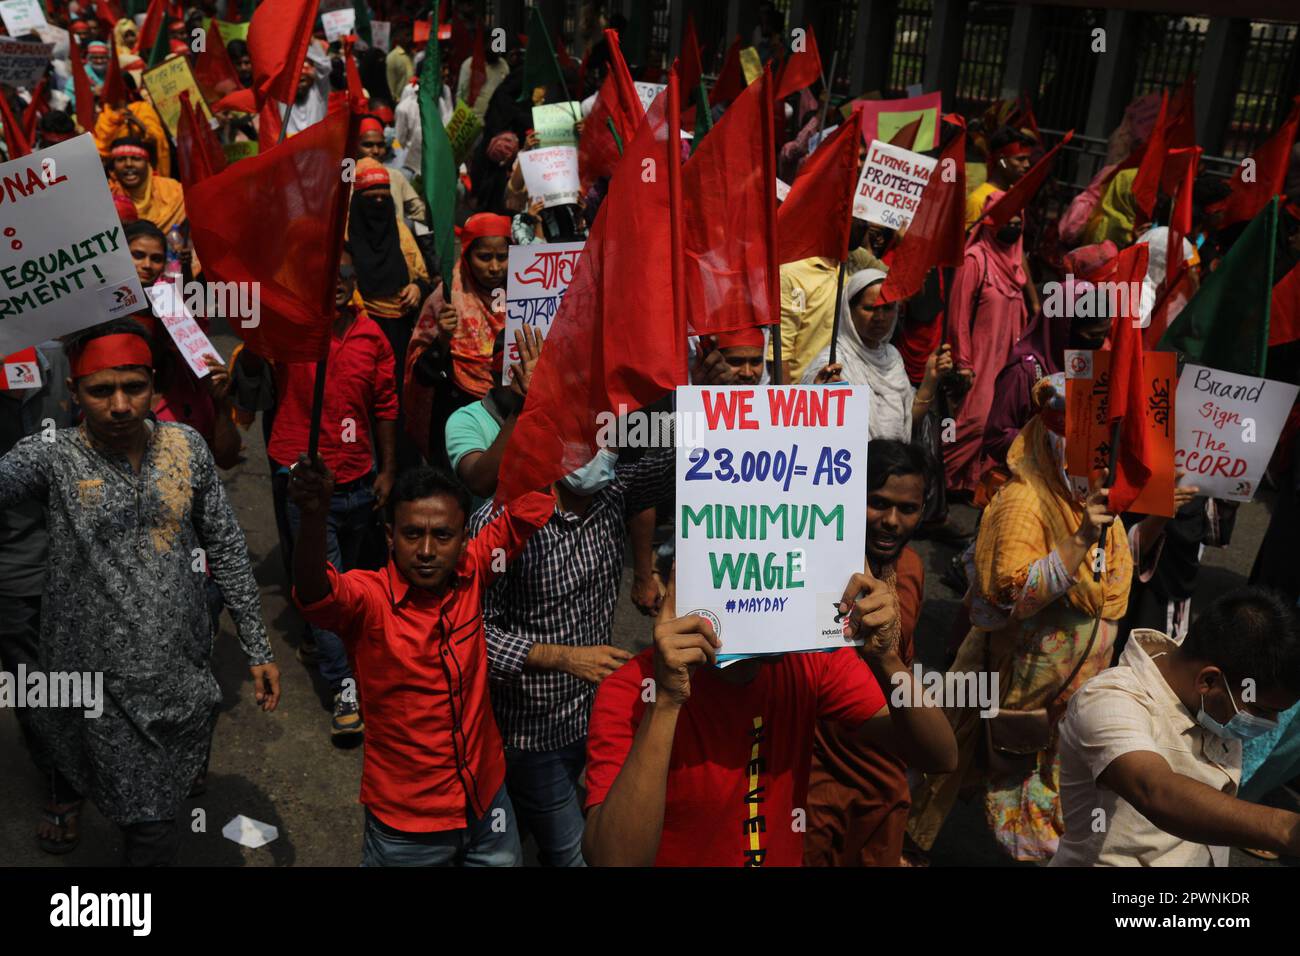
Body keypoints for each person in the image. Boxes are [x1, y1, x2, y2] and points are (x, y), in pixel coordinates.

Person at [0, 320, 279, 864]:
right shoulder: (53, 456)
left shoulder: (185, 447)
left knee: (158, 799)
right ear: (75, 394)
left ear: (156, 387)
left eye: (134, 387)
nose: (121, 405)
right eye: (101, 390)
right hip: (95, 682)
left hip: (180, 671)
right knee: (149, 828)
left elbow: (224, 546)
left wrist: (257, 646)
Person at [582, 565, 958, 867]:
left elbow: (939, 756)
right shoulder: (631, 689)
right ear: (671, 598)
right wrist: (666, 700)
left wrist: (887, 660)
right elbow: (612, 858)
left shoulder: (809, 659)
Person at [907, 377, 1132, 862]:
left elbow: (1112, 578)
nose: (1094, 463)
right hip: (1018, 680)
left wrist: (1153, 518)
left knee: (1043, 782)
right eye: (1082, 451)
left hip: (1070, 692)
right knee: (959, 763)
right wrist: (1077, 540)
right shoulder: (1023, 502)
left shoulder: (1092, 499)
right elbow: (1005, 598)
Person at [289, 457, 555, 866]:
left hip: (488, 805)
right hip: (407, 831)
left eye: (442, 535)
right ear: (390, 536)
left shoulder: (474, 569)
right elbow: (316, 592)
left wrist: (540, 405)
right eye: (413, 534)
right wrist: (313, 518)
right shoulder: (369, 600)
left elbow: (527, 507)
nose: (427, 551)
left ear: (466, 538)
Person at [469, 445, 676, 867]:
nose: (600, 453)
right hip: (530, 733)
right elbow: (468, 634)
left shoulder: (614, 494)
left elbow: (681, 458)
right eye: (584, 439)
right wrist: (562, 658)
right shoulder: (498, 521)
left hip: (594, 718)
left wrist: (709, 392)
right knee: (577, 855)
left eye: (607, 440)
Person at [235, 248, 398, 742]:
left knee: (347, 582)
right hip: (304, 481)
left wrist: (387, 469)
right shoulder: (288, 334)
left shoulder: (374, 337)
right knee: (325, 583)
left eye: (347, 273)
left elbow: (386, 405)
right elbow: (248, 384)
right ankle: (345, 686)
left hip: (359, 480)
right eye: (329, 276)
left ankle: (317, 634)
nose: (340, 282)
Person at [1053, 588, 1300, 865]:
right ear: (1208, 682)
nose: (1271, 723)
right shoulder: (1107, 702)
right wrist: (1286, 830)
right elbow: (1156, 790)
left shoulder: (1213, 670)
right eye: (1262, 711)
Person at [804, 440, 934, 866]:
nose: (892, 522)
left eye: (908, 509)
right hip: (816, 768)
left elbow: (903, 659)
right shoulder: (810, 568)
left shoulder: (910, 567)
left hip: (883, 765)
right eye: (877, 503)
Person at [405, 213, 512, 465]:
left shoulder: (526, 294)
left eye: (502, 257)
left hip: (515, 416)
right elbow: (420, 374)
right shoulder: (446, 300)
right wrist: (442, 340)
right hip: (459, 416)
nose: (495, 267)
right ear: (466, 255)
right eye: (484, 257)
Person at [943, 194, 1031, 495]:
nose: (1015, 227)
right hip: (977, 361)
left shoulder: (1015, 266)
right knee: (973, 423)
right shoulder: (976, 260)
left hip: (1006, 362)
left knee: (996, 424)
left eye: (1019, 222)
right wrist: (963, 362)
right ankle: (936, 485)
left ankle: (967, 485)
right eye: (1009, 221)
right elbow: (958, 315)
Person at [802, 268, 952, 442]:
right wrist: (818, 395)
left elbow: (908, 423)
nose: (879, 317)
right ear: (848, 311)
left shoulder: (892, 357)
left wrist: (930, 379)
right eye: (869, 308)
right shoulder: (832, 364)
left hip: (894, 464)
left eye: (887, 308)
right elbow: (813, 432)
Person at [346, 157, 431, 389]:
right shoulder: (344, 234)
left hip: (399, 327)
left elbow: (422, 275)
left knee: (394, 390)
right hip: (356, 327)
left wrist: (417, 288)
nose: (379, 201)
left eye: (384, 196)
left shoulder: (399, 229)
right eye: (372, 197)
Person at [357, 116, 427, 227]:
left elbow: (419, 211)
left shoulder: (395, 176)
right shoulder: (346, 178)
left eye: (380, 145)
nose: (375, 151)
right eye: (368, 145)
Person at [108, 137, 188, 233]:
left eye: (136, 158)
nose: (128, 164)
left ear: (148, 164)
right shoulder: (109, 199)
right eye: (121, 159)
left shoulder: (173, 189)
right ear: (112, 169)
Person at [965, 126, 1035, 230]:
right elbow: (969, 244)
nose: (1027, 164)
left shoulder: (1015, 196)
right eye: (1020, 159)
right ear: (1001, 160)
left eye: (1028, 159)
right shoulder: (978, 201)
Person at [386, 20, 416, 103]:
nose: (410, 38)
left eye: (410, 35)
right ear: (398, 37)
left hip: (413, 102)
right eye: (406, 35)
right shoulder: (392, 57)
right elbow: (390, 84)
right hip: (400, 103)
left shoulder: (413, 55)